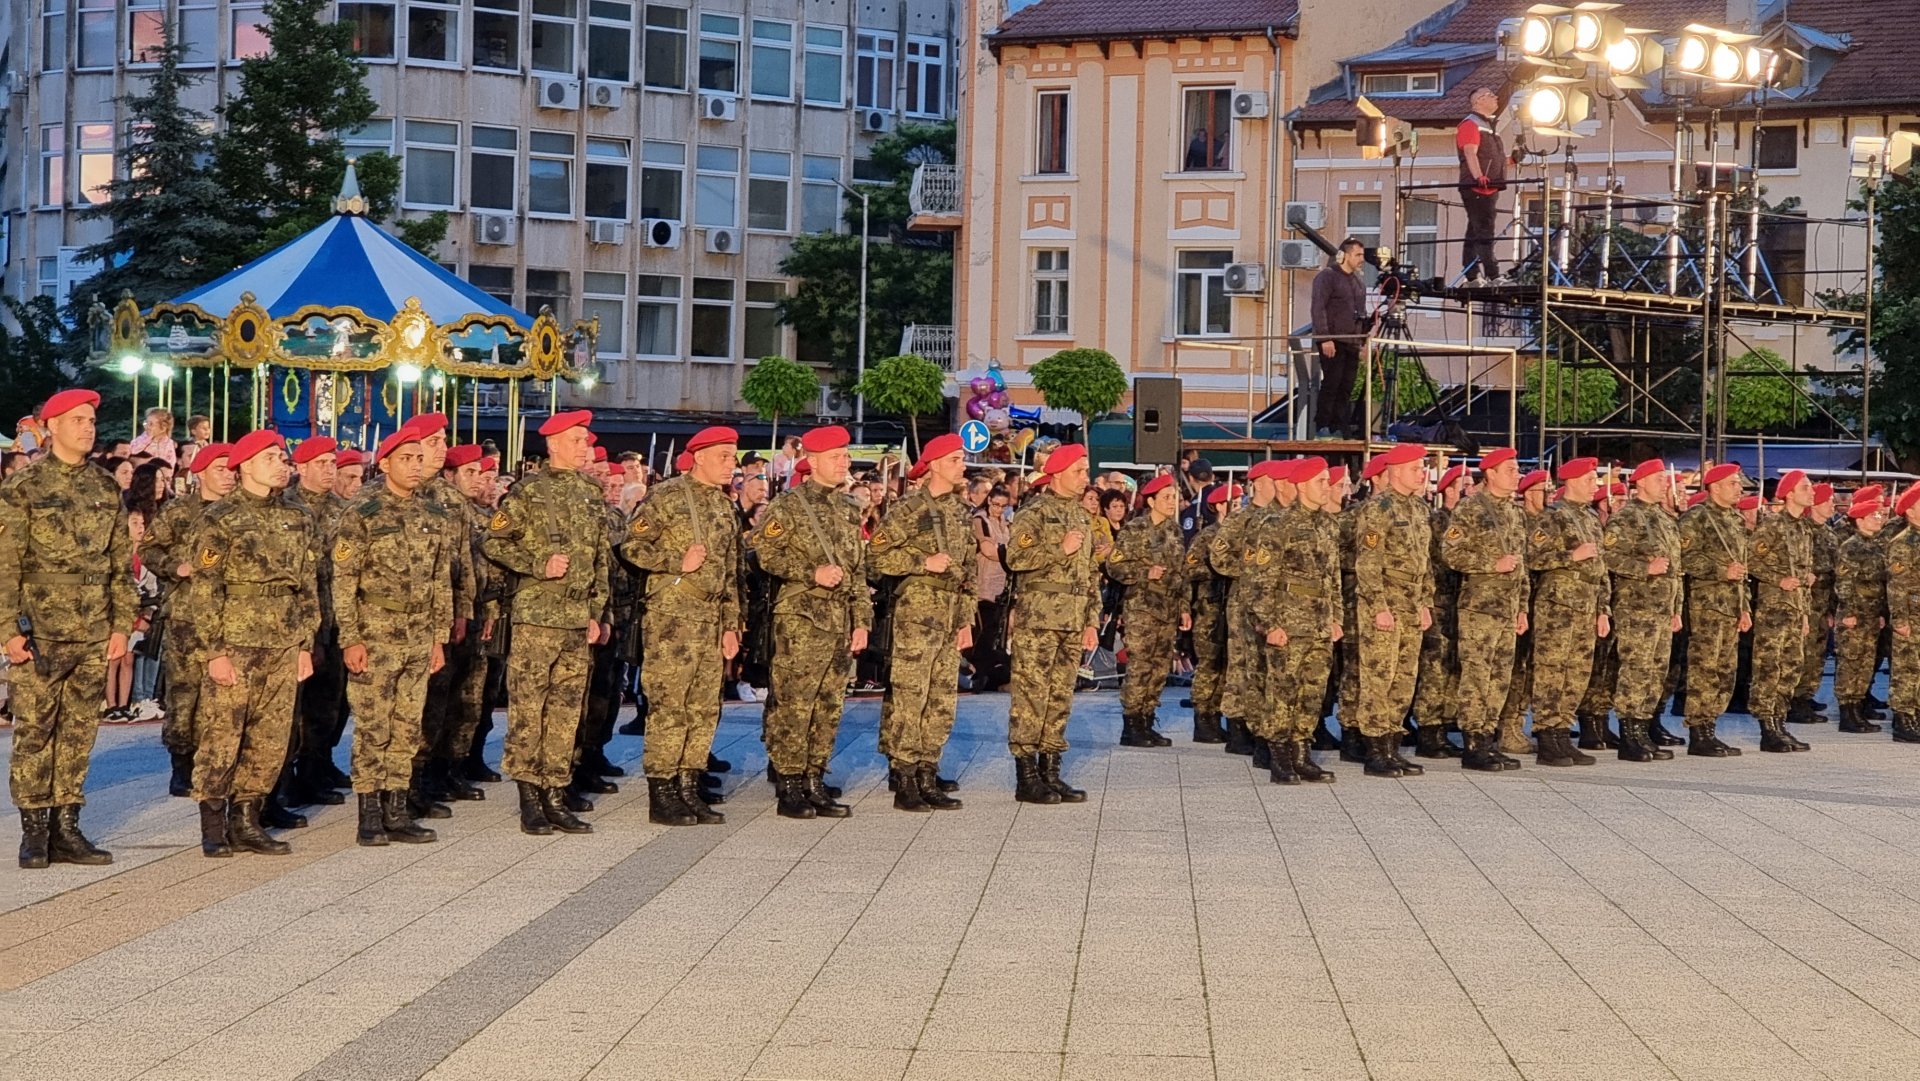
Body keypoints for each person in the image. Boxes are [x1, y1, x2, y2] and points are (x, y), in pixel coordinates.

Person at [2, 389, 136, 869]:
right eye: (77, 419)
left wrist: (122, 624)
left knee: (79, 731)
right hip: (40, 626)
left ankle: (67, 825)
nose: (87, 427)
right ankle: (34, 830)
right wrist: (6, 630)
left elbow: (121, 565)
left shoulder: (105, 487)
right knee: (35, 730)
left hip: (93, 627)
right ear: (51, 425)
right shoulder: (24, 487)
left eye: (91, 420)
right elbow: (6, 563)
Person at [191, 430, 320, 858]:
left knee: (269, 737)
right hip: (236, 639)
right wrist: (214, 651)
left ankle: (247, 819)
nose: (282, 464)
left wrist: (305, 642)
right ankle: (214, 823)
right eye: (271, 458)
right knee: (222, 735)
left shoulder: (298, 516)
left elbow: (307, 586)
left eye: (282, 458)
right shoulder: (219, 518)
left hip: (282, 639)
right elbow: (205, 587)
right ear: (245, 465)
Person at [481, 410, 609, 835]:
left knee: (566, 711)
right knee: (529, 709)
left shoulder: (592, 492)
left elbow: (599, 559)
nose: (584, 448)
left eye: (586, 442)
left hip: (576, 618)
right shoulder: (528, 493)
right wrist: (537, 564)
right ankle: (529, 798)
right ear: (553, 444)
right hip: (537, 617)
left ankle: (556, 792)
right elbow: (494, 542)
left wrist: (598, 611)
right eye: (576, 441)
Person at [331, 427, 454, 846]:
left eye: (420, 458)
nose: (416, 466)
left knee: (407, 724)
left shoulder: (433, 515)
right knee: (372, 724)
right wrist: (350, 638)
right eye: (407, 458)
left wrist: (439, 637)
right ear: (384, 464)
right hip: (376, 631)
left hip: (419, 634)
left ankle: (397, 809)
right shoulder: (362, 512)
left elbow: (441, 581)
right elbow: (344, 580)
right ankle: (368, 811)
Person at [620, 425, 742, 826]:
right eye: (723, 456)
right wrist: (676, 560)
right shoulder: (668, 496)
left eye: (733, 456)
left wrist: (731, 625)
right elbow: (632, 546)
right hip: (673, 617)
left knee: (704, 707)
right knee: (671, 706)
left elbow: (731, 572)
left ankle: (689, 785)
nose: (731, 464)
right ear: (700, 457)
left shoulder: (724, 505)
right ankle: (664, 791)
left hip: (710, 618)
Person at [750, 425, 871, 820]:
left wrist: (861, 620)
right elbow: (763, 552)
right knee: (795, 703)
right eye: (836, 457)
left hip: (839, 619)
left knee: (829, 703)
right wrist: (810, 572)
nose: (844, 463)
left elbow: (857, 570)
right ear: (813, 461)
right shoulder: (788, 506)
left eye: (845, 456)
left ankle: (815, 778)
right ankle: (789, 783)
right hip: (801, 618)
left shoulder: (849, 507)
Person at [868, 434, 976, 811]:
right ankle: (905, 776)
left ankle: (929, 771)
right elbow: (875, 555)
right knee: (910, 697)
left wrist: (966, 617)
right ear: (933, 465)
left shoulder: (961, 511)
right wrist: (920, 563)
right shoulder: (909, 507)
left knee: (941, 698)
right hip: (917, 614)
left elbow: (968, 569)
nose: (962, 465)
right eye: (955, 460)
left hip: (949, 614)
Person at [1003, 443, 1102, 805]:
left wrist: (1092, 621)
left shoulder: (1081, 516)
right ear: (1058, 473)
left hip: (1073, 619)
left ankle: (1051, 769)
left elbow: (1091, 574)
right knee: (1031, 695)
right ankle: (1026, 775)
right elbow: (1016, 557)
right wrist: (1060, 548)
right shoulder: (1035, 513)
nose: (1085, 477)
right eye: (1079, 471)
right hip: (1040, 617)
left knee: (1060, 695)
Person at [143, 442, 234, 797]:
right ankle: (181, 762)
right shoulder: (180, 511)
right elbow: (148, 549)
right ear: (200, 473)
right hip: (186, 615)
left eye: (231, 470)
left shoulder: (236, 512)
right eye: (220, 469)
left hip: (229, 615)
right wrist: (174, 567)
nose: (228, 477)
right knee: (184, 691)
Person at [1250, 457, 1342, 784]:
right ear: (1302, 484)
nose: (1326, 487)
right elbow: (1261, 579)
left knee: (1313, 691)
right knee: (1282, 691)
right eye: (1320, 481)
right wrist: (1270, 624)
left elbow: (1333, 578)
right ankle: (1279, 757)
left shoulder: (1329, 525)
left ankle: (1302, 754)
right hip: (1288, 622)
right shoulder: (1278, 524)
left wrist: (1337, 618)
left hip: (1319, 622)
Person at [1441, 448, 1530, 771]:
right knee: (1478, 675)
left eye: (1517, 469)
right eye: (1510, 469)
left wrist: (1522, 607)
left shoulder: (1515, 512)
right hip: (1480, 607)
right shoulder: (1470, 509)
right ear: (1490, 473)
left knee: (1500, 677)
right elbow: (1451, 553)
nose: (1516, 475)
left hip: (1507, 608)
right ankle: (1473, 742)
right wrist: (1492, 564)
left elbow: (1522, 565)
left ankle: (1488, 737)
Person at [1349, 442, 1432, 778]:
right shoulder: (1378, 509)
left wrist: (1425, 602)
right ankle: (1375, 749)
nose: (1422, 473)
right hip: (1385, 602)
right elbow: (1368, 563)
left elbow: (1424, 564)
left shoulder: (1419, 510)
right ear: (1395, 471)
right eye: (1416, 468)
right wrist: (1378, 606)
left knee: (1404, 678)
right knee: (1378, 677)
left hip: (1411, 603)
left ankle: (1393, 745)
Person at [1524, 457, 1608, 767]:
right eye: (1590, 480)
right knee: (1552, 670)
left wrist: (1603, 609)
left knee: (1576, 673)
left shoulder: (1589, 518)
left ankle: (1562, 732)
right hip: (1559, 606)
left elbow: (1601, 568)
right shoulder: (1552, 517)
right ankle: (1547, 736)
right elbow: (1532, 556)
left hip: (1587, 605)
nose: (1595, 486)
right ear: (1571, 481)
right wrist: (1570, 555)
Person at [1605, 460, 1685, 762]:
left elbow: (1676, 571)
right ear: (1641, 482)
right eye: (1660, 478)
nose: (1666, 483)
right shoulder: (1628, 517)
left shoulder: (1664, 519)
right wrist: (1643, 568)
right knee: (1636, 671)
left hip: (1662, 610)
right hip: (1637, 608)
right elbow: (1609, 556)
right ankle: (1629, 735)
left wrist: (1676, 608)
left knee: (1655, 673)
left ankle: (1642, 729)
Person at [1105, 473, 1190, 748]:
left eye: (1173, 497)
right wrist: (1145, 572)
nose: (1171, 502)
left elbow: (1182, 573)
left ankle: (1147, 718)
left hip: (1168, 608)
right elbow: (1114, 566)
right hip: (1142, 607)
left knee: (1160, 667)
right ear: (1151, 500)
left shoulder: (1175, 531)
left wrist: (1184, 608)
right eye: (1166, 497)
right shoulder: (1135, 529)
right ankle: (1131, 724)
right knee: (1140, 666)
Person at [1748, 470, 1815, 753]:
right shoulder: (1772, 526)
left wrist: (1805, 614)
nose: (1811, 492)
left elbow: (1802, 573)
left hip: (1796, 609)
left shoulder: (1804, 528)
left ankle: (1780, 720)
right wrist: (1778, 579)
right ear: (1789, 494)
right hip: (1774, 609)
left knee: (1790, 668)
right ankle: (1767, 726)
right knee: (1769, 667)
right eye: (1805, 487)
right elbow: (1751, 560)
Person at [1184, 484, 1238, 744]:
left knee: (1227, 665)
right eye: (1232, 502)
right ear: (1218, 506)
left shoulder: (1239, 534)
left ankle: (1217, 714)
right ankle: (1203, 717)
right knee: (1209, 664)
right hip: (1210, 608)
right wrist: (1215, 568)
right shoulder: (1207, 536)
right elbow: (1190, 569)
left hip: (1231, 608)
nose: (1237, 506)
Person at [1833, 495, 1888, 734]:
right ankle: (1847, 712)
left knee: (1865, 663)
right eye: (1873, 516)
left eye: (1879, 515)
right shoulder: (1851, 547)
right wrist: (1849, 611)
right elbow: (1844, 582)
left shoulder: (1875, 545)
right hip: (1855, 614)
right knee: (1850, 662)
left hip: (1871, 614)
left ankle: (1858, 707)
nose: (1879, 519)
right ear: (1860, 520)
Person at [1310, 238, 1370, 438]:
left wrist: (1363, 342)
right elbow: (1318, 308)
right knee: (1332, 383)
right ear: (1345, 255)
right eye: (1358, 255)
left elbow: (1361, 313)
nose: (1362, 259)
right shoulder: (1327, 277)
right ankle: (1323, 424)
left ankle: (1338, 426)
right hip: (1333, 340)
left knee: (1347, 385)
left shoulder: (1358, 283)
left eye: (1362, 255)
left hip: (1352, 341)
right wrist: (1325, 338)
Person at [1456, 86, 1507, 285]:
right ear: (1478, 101)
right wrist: (1478, 176)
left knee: (1475, 230)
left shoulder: (1489, 126)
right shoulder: (1471, 124)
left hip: (1488, 185)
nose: (1495, 98)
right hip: (1478, 186)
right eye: (1490, 95)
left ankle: (1472, 273)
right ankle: (1492, 274)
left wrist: (1510, 161)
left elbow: (1490, 157)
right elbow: (1470, 152)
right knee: (1485, 230)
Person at [1883, 486, 1920, 743]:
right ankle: (1903, 719)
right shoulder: (1902, 543)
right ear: (1910, 510)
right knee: (1906, 668)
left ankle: (1915, 713)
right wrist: (1900, 620)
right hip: (1910, 614)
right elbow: (1896, 585)